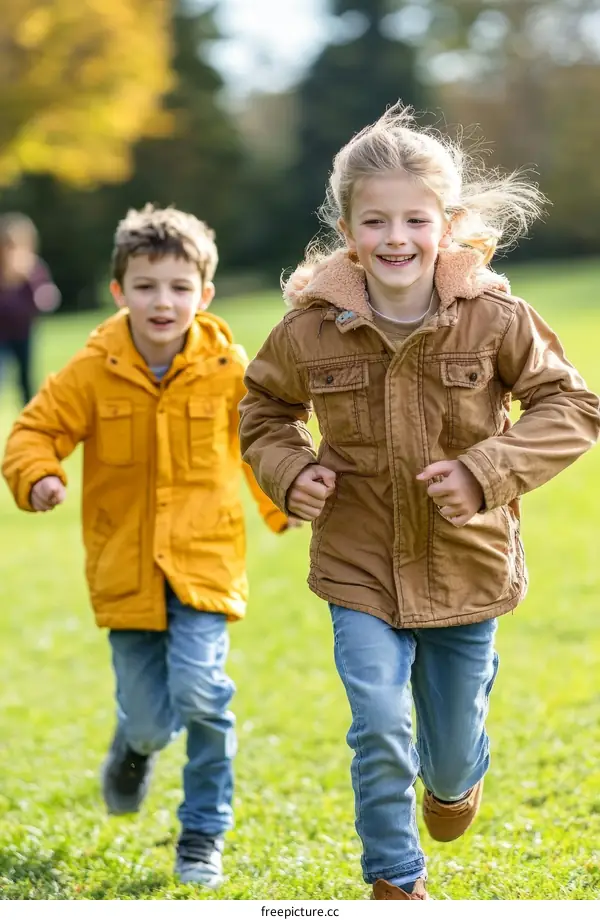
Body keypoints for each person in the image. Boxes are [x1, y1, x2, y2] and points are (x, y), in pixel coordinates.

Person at [238, 105, 600, 900]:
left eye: (413, 218)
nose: (395, 237)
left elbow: (572, 408)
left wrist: (485, 471)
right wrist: (289, 471)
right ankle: (396, 881)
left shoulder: (498, 319)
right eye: (375, 220)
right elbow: (262, 412)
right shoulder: (309, 332)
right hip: (357, 561)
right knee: (376, 720)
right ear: (347, 228)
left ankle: (453, 778)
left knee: (445, 744)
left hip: (466, 566)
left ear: (449, 223)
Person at [2, 204, 298, 890]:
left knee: (204, 693)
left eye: (177, 287)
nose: (162, 301)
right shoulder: (92, 369)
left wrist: (284, 502)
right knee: (148, 721)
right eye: (145, 286)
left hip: (204, 564)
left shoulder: (228, 367)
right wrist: (40, 475)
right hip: (124, 569)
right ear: (118, 292)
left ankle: (202, 833)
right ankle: (131, 750)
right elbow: (31, 433)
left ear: (204, 294)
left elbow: (260, 442)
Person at [0, 212, 60, 406]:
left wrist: (29, 278)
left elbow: (45, 299)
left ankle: (30, 420)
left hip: (24, 332)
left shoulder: (33, 268)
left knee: (25, 379)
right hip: (2, 333)